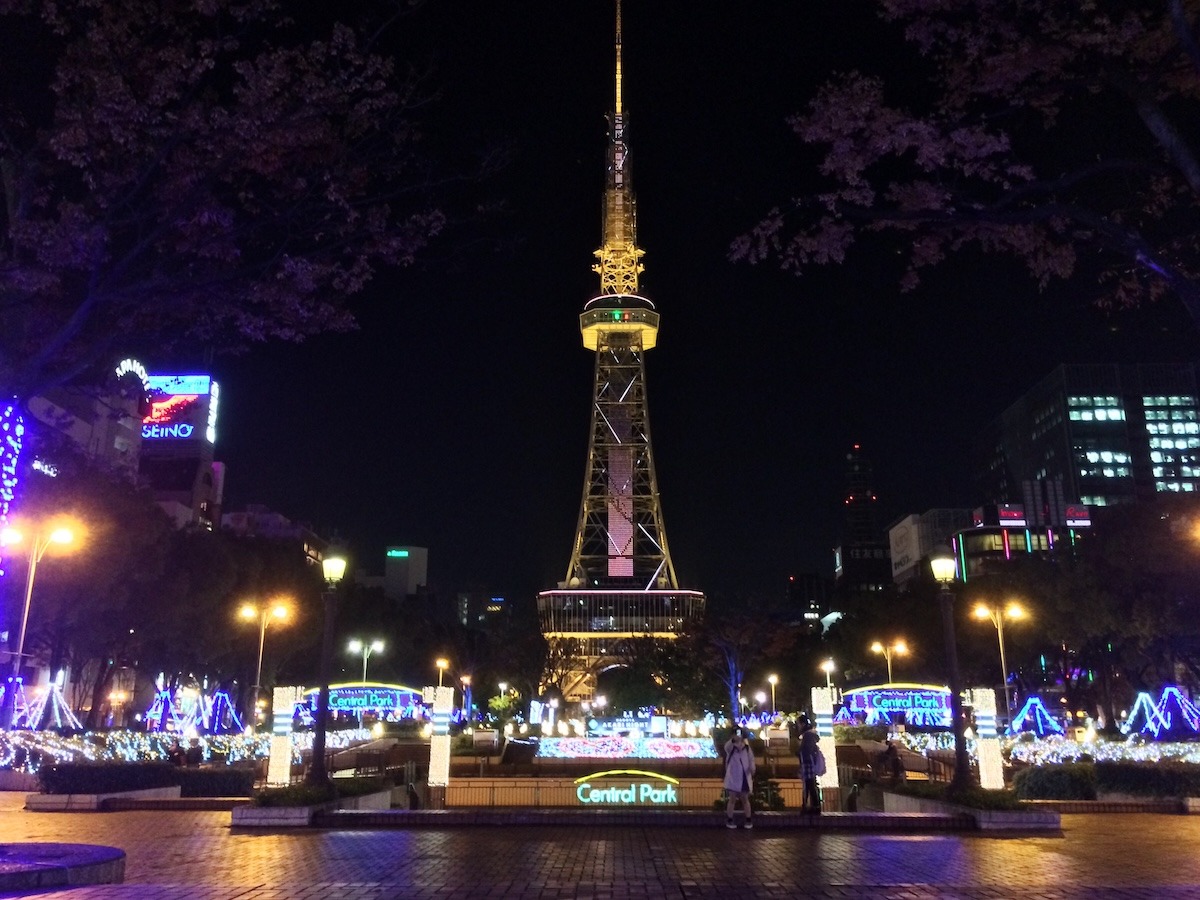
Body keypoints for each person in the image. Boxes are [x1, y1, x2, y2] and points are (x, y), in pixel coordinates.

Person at [722, 729, 756, 830]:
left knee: (745, 799)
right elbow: (726, 748)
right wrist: (733, 740)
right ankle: (729, 819)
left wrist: (752, 768)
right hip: (733, 776)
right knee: (732, 799)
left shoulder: (746, 747)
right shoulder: (731, 747)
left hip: (744, 776)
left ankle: (748, 819)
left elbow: (751, 759)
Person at [797, 715, 821, 814]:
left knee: (808, 786)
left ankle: (809, 807)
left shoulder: (807, 736)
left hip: (807, 763)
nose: (798, 726)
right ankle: (814, 806)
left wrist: (799, 753)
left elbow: (806, 751)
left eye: (798, 724)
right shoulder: (810, 735)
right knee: (810, 785)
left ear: (802, 724)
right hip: (810, 763)